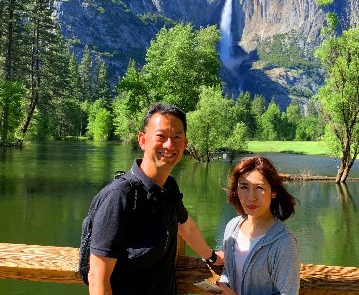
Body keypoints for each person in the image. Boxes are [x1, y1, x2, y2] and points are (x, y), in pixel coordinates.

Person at [87, 103, 223, 295]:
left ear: (185, 144)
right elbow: (97, 278)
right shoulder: (120, 196)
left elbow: (185, 226)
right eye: (161, 136)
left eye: (177, 137)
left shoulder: (169, 187)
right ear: (142, 140)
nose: (169, 145)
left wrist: (211, 257)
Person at [213, 156, 300, 295]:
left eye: (259, 188)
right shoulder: (232, 227)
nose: (251, 197)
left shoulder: (284, 243)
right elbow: (228, 272)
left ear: (273, 192)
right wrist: (221, 288)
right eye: (244, 187)